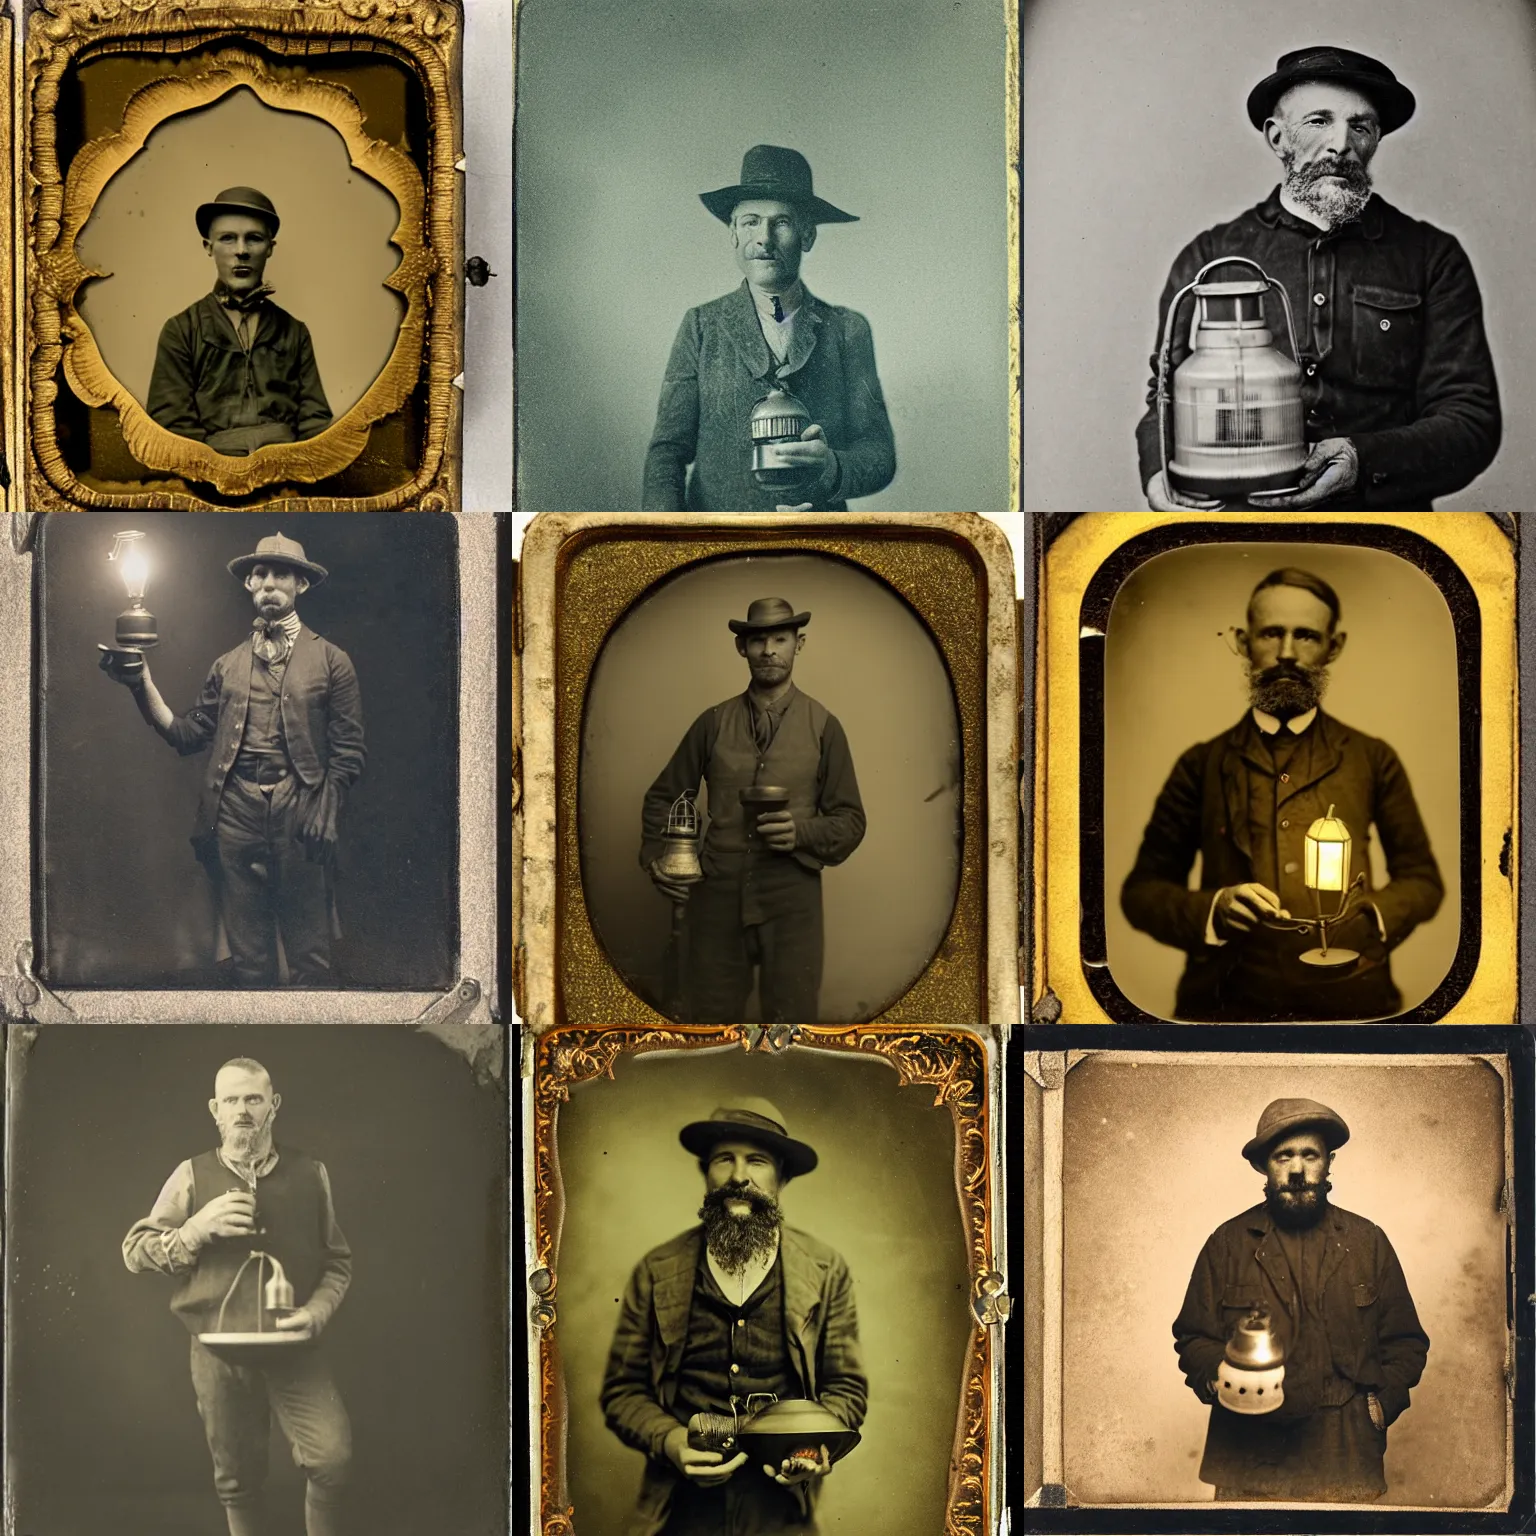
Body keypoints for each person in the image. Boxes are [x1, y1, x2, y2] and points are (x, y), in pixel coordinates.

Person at [1138, 47, 1500, 511]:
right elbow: (1165, 397)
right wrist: (1156, 478)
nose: (1340, 145)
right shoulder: (1212, 255)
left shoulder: (1432, 256)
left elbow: (1470, 420)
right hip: (1237, 523)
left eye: (1361, 126)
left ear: (1375, 140)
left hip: (1378, 528)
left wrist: (1361, 460)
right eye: (1318, 122)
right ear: (1277, 137)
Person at [1121, 567, 1442, 1021]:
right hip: (1226, 1007)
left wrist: (1367, 919)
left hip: (1353, 1004)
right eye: (1272, 634)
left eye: (1307, 636)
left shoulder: (1373, 758)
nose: (1287, 654)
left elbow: (1423, 881)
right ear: (1241, 640)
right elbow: (1142, 893)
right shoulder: (1202, 763)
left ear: (1334, 647)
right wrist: (1214, 908)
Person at [99, 533, 366, 986]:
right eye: (258, 575)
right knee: (249, 963)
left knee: (311, 960)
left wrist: (327, 809)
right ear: (248, 586)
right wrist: (140, 683)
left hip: (300, 810)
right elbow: (186, 734)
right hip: (234, 814)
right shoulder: (226, 665)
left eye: (279, 573)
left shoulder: (332, 660)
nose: (267, 583)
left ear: (301, 584)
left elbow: (348, 751)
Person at [602, 1098, 867, 1535]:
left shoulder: (825, 1269)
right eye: (724, 1158)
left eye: (757, 1160)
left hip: (782, 1509)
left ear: (781, 1177)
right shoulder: (658, 1269)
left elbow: (847, 1387)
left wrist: (814, 1447)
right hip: (679, 1508)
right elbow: (622, 1391)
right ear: (706, 1172)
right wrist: (670, 1442)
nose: (739, 1176)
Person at [123, 1057, 353, 1536]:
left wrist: (316, 1312)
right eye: (232, 1100)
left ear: (274, 1105)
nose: (243, 1111)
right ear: (215, 1110)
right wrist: (194, 1230)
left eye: (253, 1098)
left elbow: (337, 1261)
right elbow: (134, 1252)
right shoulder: (190, 1175)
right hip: (218, 1353)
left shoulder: (312, 1172)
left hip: (295, 1349)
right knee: (238, 1481)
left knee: (332, 1458)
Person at [1172, 1097, 1429, 1502]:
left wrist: (1381, 1407)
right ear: (1264, 1166)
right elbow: (1193, 1338)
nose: (1297, 1170)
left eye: (1310, 1155)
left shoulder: (1368, 1242)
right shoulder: (1227, 1243)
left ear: (1329, 1163)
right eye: (1283, 1156)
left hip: (1345, 1452)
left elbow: (1406, 1343)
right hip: (1250, 1453)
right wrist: (1225, 1381)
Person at [640, 596, 866, 1023]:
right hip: (716, 899)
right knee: (709, 1021)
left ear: (798, 644)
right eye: (758, 640)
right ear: (741, 647)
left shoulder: (824, 726)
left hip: (792, 900)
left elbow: (851, 820)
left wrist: (801, 832)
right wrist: (658, 857)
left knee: (792, 1025)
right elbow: (664, 796)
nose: (769, 651)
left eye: (780, 639)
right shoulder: (712, 722)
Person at [642, 145, 896, 511]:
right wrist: (664, 541)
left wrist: (831, 467)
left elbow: (879, 455)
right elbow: (667, 452)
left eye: (781, 222)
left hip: (816, 541)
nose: (764, 238)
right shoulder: (701, 325)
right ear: (733, 232)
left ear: (807, 235)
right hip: (720, 542)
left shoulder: (847, 330)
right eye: (750, 222)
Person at [147, 187, 333, 456]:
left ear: (270, 248)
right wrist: (218, 469)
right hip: (213, 472)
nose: (241, 251)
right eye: (228, 239)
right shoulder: (182, 329)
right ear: (208, 247)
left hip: (286, 467)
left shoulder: (294, 331)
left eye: (254, 239)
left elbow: (315, 420)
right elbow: (173, 423)